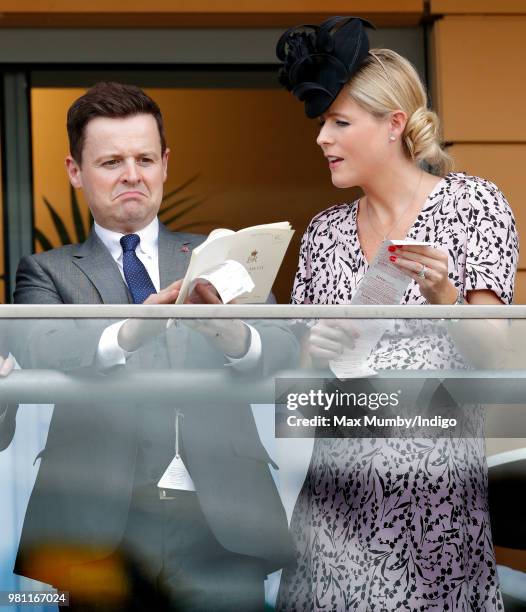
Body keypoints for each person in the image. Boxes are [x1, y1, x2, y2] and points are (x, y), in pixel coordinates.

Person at [6, 82, 297, 611]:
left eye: (144, 158)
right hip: (99, 526)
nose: (131, 175)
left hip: (222, 519)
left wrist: (236, 337)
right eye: (111, 161)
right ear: (75, 171)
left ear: (165, 163)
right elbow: (41, 344)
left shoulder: (219, 254)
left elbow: (281, 343)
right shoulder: (44, 271)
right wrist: (135, 327)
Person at [275, 16, 518, 611]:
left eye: (339, 122)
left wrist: (447, 303)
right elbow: (304, 392)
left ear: (393, 125)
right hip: (335, 495)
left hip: (435, 493)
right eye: (322, 123)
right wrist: (318, 351)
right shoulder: (323, 232)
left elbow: (496, 355)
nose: (322, 139)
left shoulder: (473, 203)